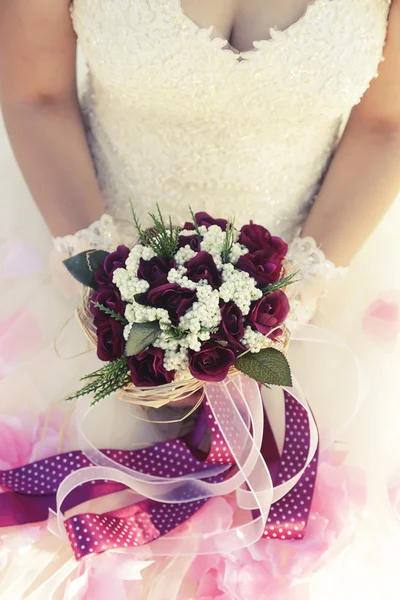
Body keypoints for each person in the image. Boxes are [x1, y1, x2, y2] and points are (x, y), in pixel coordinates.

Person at [0, 1, 399, 599]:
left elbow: (384, 125)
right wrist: (101, 283)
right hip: (90, 254)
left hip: (315, 282)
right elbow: (36, 96)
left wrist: (304, 288)